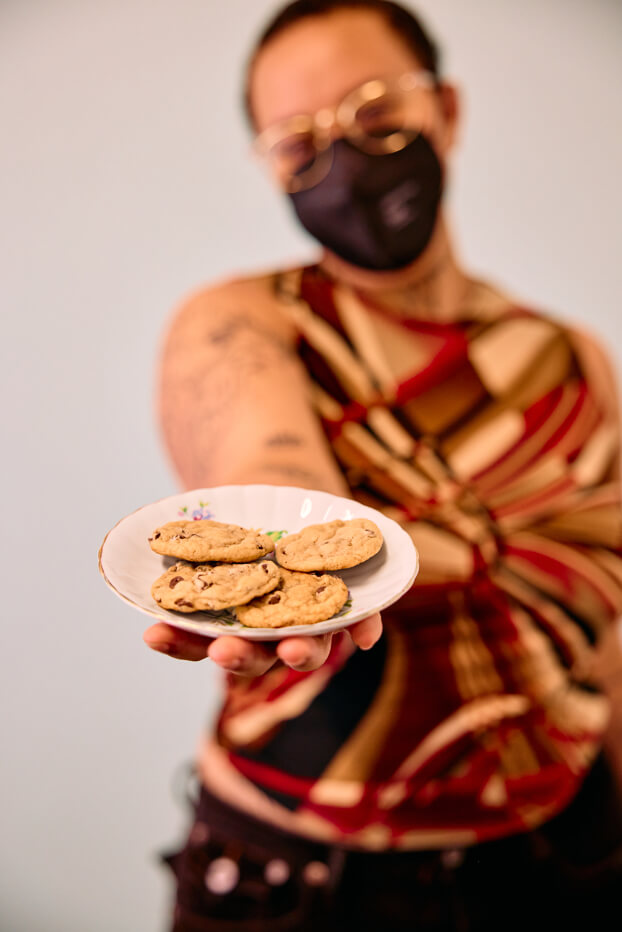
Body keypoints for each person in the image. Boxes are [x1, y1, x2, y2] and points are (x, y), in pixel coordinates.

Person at [142, 2, 622, 929]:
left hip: (571, 853)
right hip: (311, 884)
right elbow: (270, 467)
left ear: (446, 108)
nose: (346, 165)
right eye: (298, 146)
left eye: (373, 114)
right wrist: (297, 562)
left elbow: (604, 631)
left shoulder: (574, 364)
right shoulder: (248, 325)